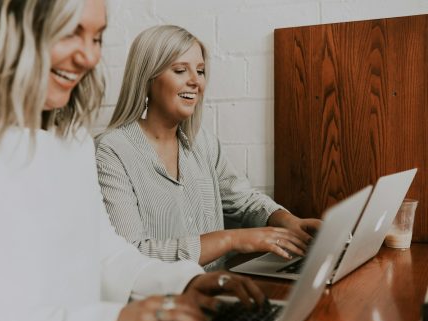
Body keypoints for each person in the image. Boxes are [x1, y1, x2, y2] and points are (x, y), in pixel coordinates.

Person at [0, 3, 264, 321]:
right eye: (69, 32)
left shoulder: (71, 137)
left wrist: (183, 281)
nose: (89, 55)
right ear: (9, 25)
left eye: (97, 37)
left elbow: (105, 253)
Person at [96, 25, 321, 268]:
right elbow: (131, 256)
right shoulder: (111, 151)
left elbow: (243, 200)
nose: (195, 81)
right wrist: (230, 240)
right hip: (161, 302)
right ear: (147, 78)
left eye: (200, 71)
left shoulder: (202, 143)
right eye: (180, 70)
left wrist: (287, 220)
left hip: (218, 292)